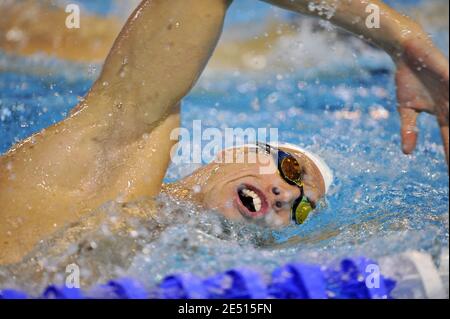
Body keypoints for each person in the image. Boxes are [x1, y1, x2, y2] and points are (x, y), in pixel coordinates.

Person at [0, 0, 448, 265]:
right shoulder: (107, 159)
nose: (288, 196)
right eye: (290, 169)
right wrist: (399, 35)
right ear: (233, 153)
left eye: (303, 209)